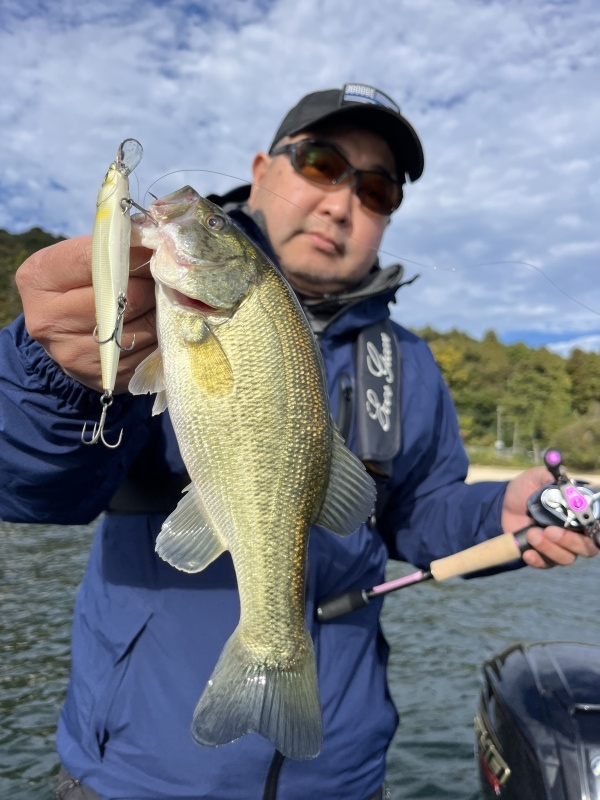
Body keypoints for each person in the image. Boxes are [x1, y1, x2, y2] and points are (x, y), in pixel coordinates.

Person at [1, 83, 597, 800]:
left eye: (377, 189)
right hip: (134, 776)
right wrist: (56, 376)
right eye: (321, 162)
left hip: (344, 777)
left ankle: (273, 652)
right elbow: (31, 486)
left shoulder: (408, 362)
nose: (342, 203)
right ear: (262, 169)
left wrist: (494, 513)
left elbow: (413, 513)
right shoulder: (142, 311)